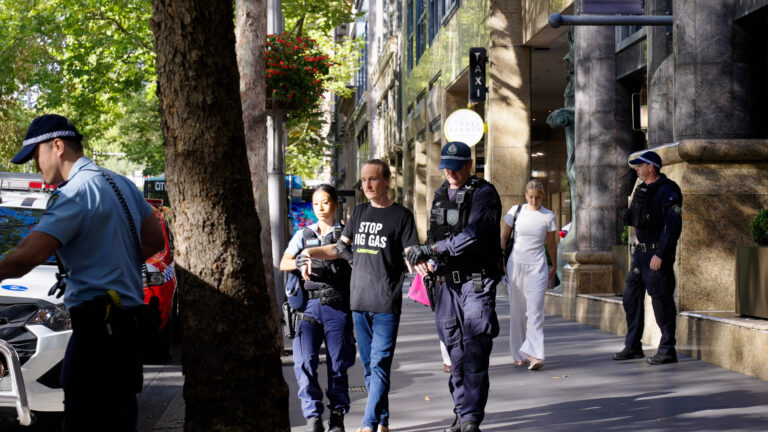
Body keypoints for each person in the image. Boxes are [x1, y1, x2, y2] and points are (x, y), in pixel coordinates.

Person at [0, 114, 165, 431]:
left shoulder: (75, 192)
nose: (36, 166)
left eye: (36, 156)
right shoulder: (121, 184)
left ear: (57, 146)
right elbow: (154, 239)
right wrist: (108, 261)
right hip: (127, 335)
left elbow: (27, 256)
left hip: (97, 338)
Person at [301, 159, 419, 432]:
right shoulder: (360, 212)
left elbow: (412, 249)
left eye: (373, 179)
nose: (367, 184)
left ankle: (368, 424)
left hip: (386, 302)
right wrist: (310, 252)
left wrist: (418, 259)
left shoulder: (402, 216)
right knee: (368, 366)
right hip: (358, 301)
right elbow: (339, 247)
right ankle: (384, 421)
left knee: (379, 363)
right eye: (364, 179)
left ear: (387, 181)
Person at [406, 141, 502, 432]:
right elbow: (434, 236)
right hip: (446, 284)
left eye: (456, 167)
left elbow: (472, 236)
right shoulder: (440, 194)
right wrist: (423, 256)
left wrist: (432, 249)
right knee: (455, 353)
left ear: (469, 164)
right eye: (446, 166)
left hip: (475, 282)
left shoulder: (484, 194)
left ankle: (471, 417)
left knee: (474, 350)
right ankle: (461, 413)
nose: (450, 172)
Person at [280, 184, 356, 432]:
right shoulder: (303, 234)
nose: (320, 208)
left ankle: (337, 417)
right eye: (315, 203)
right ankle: (313, 417)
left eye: (325, 202)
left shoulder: (346, 234)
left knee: (338, 364)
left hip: (337, 306)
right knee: (303, 362)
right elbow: (283, 262)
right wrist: (300, 259)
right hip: (309, 308)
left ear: (335, 203)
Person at [613, 150, 682, 365]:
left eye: (639, 166)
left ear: (650, 167)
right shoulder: (642, 189)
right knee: (630, 298)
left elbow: (672, 227)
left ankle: (667, 349)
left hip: (656, 254)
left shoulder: (668, 190)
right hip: (640, 255)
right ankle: (633, 345)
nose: (636, 169)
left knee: (661, 300)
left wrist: (661, 254)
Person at [500, 180, 557, 371]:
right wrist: (501, 262)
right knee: (518, 311)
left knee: (535, 311)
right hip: (515, 266)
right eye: (531, 196)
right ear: (526, 195)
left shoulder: (548, 216)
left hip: (538, 267)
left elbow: (551, 244)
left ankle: (535, 355)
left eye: (538, 197)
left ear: (543, 196)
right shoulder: (515, 212)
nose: (534, 200)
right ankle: (518, 353)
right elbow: (504, 237)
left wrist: (553, 266)